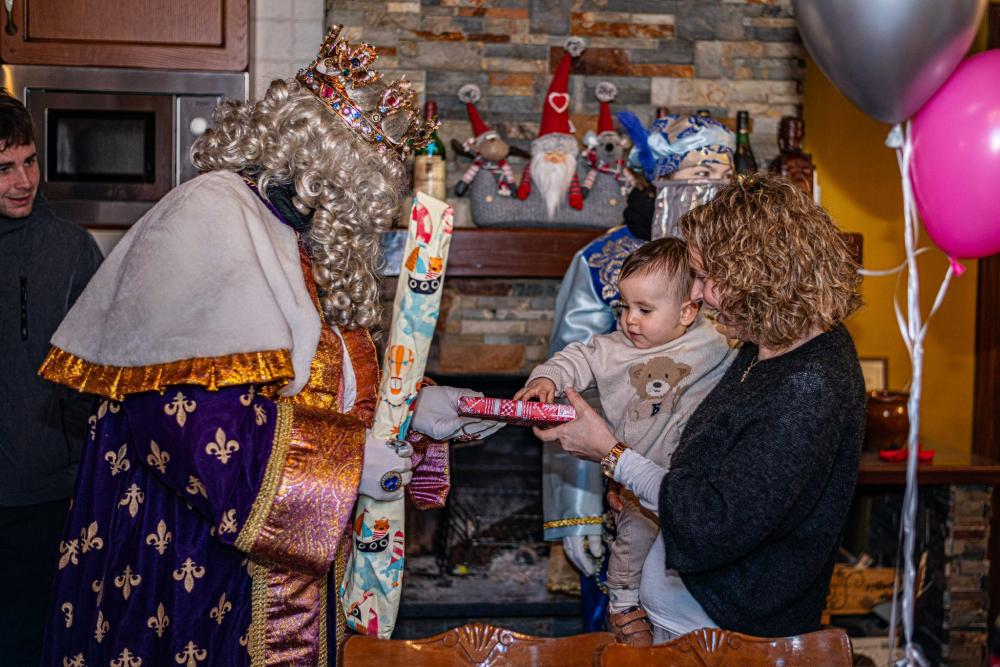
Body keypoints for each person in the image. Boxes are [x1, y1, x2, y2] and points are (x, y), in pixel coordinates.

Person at [35, 25, 478, 665]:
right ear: (332, 164)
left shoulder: (299, 231)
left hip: (278, 563)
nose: (377, 203)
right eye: (373, 180)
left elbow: (318, 381)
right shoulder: (210, 215)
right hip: (193, 562)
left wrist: (418, 413)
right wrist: (349, 469)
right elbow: (183, 420)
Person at [535, 174, 865, 641]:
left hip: (726, 637)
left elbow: (713, 520)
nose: (700, 295)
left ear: (757, 275)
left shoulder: (809, 386)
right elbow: (707, 460)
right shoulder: (764, 344)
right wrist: (641, 494)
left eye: (709, 278)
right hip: (688, 621)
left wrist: (612, 455)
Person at [543, 114, 734, 620]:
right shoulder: (604, 263)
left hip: (717, 501)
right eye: (695, 184)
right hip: (623, 488)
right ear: (661, 183)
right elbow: (570, 398)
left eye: (721, 184)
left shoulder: (743, 267)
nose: (710, 198)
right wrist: (576, 512)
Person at [515, 238, 735, 644]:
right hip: (635, 479)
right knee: (631, 546)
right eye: (624, 307)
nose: (630, 320)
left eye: (644, 310)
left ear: (689, 310)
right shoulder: (611, 349)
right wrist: (546, 380)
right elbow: (572, 358)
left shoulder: (715, 342)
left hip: (695, 483)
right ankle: (622, 606)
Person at [0, 90, 103, 666]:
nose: (23, 181)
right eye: (4, 168)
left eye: (30, 162)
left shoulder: (71, 249)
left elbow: (108, 367)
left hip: (49, 498)